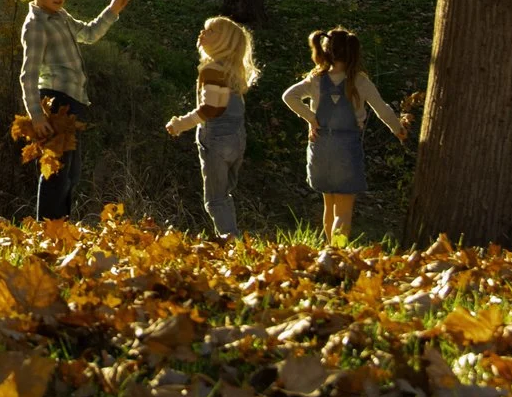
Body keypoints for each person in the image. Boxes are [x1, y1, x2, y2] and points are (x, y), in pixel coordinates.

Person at [18, 0, 132, 221]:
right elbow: (28, 74)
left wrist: (113, 9)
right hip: (56, 102)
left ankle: (61, 227)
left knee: (71, 173)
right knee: (55, 171)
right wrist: (35, 114)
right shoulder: (36, 25)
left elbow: (89, 34)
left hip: (74, 102)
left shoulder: (61, 16)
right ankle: (48, 230)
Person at [280, 27, 408, 243]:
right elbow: (382, 108)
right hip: (347, 150)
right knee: (344, 210)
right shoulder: (360, 81)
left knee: (328, 205)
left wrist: (312, 119)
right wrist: (398, 129)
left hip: (320, 147)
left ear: (326, 51)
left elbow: (289, 96)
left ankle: (328, 250)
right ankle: (338, 253)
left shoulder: (316, 79)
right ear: (354, 54)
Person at [164, 15, 259, 237]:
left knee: (214, 200)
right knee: (225, 194)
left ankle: (230, 241)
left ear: (223, 42)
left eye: (210, 31)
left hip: (216, 140)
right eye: (204, 29)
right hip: (238, 140)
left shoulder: (211, 71)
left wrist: (181, 124)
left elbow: (211, 109)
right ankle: (231, 238)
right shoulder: (233, 73)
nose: (202, 33)